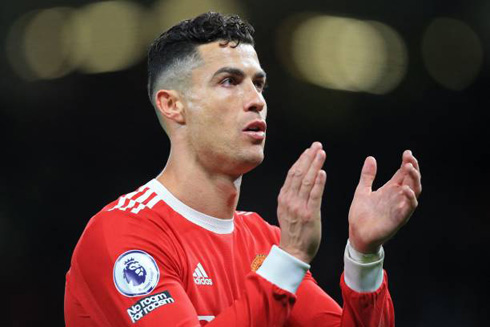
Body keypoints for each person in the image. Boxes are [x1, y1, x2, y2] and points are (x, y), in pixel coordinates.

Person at [64, 12, 422, 327]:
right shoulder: (123, 233)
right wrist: (291, 257)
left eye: (259, 83)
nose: (257, 100)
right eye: (229, 81)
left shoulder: (262, 242)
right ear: (172, 105)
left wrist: (363, 255)